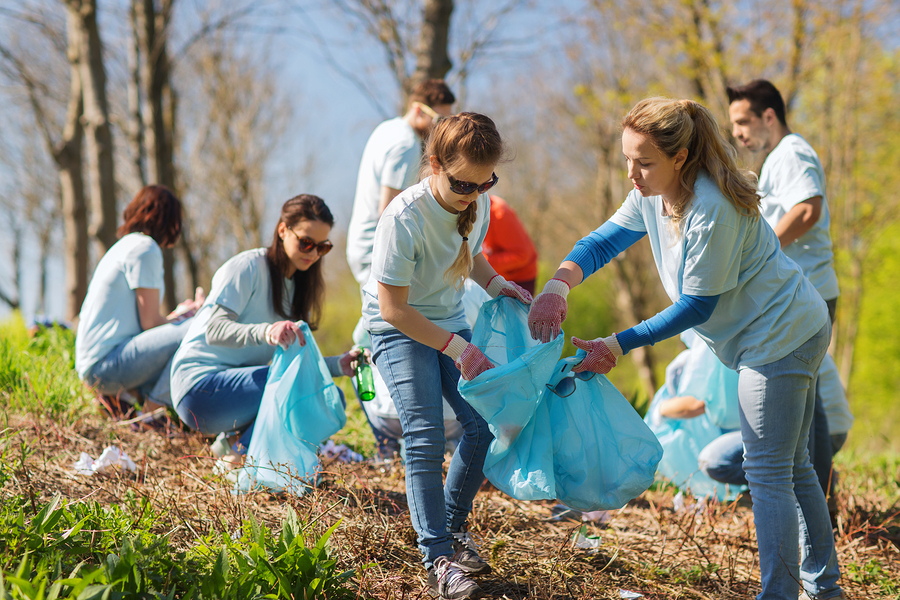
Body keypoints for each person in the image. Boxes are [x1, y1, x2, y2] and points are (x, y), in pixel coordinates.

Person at [528, 98, 844, 600]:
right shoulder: (652, 191)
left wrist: (617, 343)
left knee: (767, 471)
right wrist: (558, 286)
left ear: (680, 158)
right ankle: (823, 588)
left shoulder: (710, 207)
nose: (632, 173)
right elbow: (603, 242)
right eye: (627, 159)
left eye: (645, 162)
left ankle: (783, 594)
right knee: (793, 465)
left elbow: (697, 307)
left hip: (781, 335)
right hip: (782, 328)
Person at [362, 112, 532, 599]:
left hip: (448, 320)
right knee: (425, 433)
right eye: (462, 183)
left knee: (482, 426)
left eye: (486, 183)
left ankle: (452, 530)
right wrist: (459, 347)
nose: (473, 193)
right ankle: (437, 556)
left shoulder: (475, 204)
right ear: (434, 163)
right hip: (398, 328)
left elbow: (470, 254)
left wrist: (501, 286)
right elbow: (395, 310)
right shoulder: (402, 218)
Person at [169, 195, 359, 452]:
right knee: (301, 392)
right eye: (306, 243)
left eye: (322, 247)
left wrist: (338, 364)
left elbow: (294, 366)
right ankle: (240, 454)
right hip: (198, 389)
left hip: (234, 392)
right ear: (282, 230)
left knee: (329, 397)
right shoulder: (247, 267)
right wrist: (267, 331)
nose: (314, 253)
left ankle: (231, 448)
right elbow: (214, 330)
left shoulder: (296, 288)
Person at [728, 78, 842, 500]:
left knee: (801, 405)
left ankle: (813, 502)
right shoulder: (778, 158)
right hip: (804, 296)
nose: (738, 132)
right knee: (807, 403)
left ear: (768, 116)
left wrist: (763, 250)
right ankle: (822, 499)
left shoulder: (792, 152)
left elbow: (807, 209)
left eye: (743, 121)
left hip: (808, 296)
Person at [75, 185, 203, 413]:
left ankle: (124, 398)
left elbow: (141, 323)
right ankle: (153, 412)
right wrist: (190, 319)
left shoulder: (124, 246)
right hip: (105, 365)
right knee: (198, 328)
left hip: (95, 364)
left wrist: (178, 315)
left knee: (188, 328)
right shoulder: (146, 248)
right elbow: (150, 324)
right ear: (168, 219)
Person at [346, 79, 456, 288]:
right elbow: (390, 212)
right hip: (377, 251)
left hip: (361, 244)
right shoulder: (407, 145)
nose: (441, 127)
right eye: (440, 119)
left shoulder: (388, 128)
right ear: (418, 110)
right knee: (388, 317)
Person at [482, 195, 538, 295]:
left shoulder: (499, 212)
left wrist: (483, 262)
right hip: (491, 277)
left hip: (519, 280)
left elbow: (521, 255)